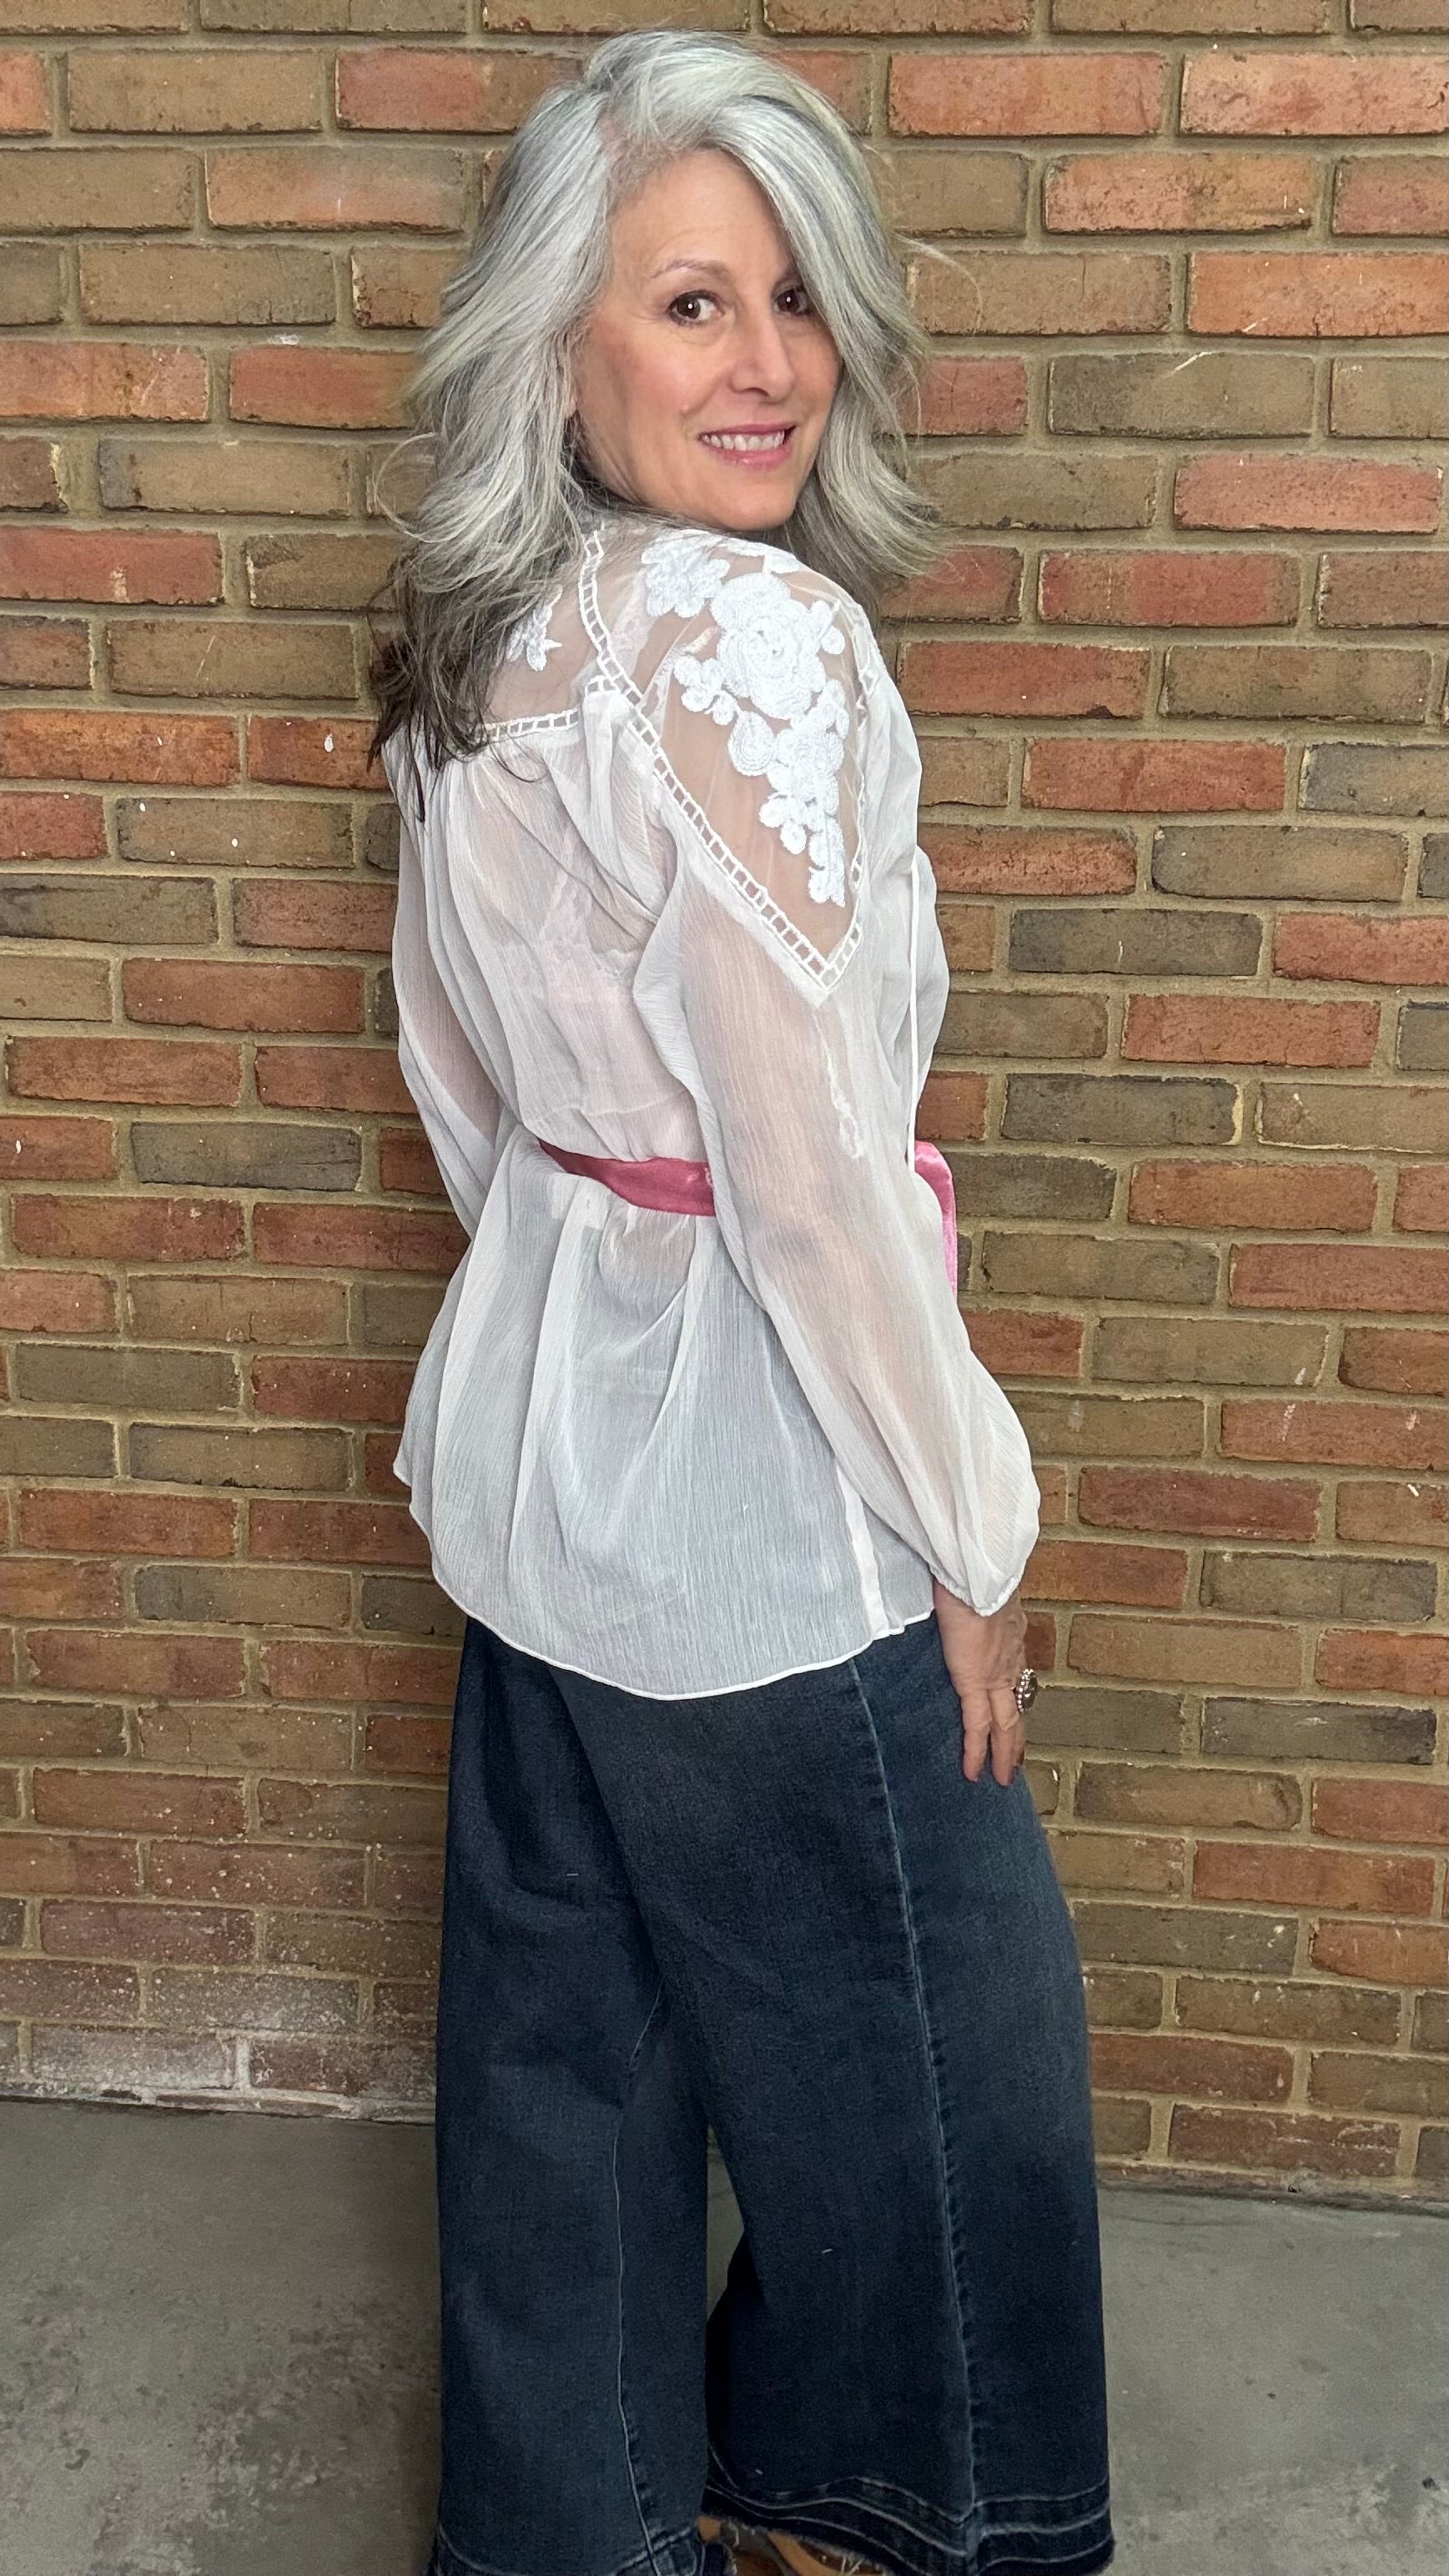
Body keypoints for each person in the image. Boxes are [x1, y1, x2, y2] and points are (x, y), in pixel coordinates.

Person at [370, 30, 1113, 2576]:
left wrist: (570, 1307)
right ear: (554, 347)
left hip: (537, 1470)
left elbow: (469, 1098)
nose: (767, 361)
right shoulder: (747, 647)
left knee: (570, 2085)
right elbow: (806, 1183)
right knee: (945, 2082)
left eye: (794, 298)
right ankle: (874, 2522)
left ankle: (565, 2539)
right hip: (765, 1513)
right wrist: (967, 1525)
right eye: (690, 302)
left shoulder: (484, 642)